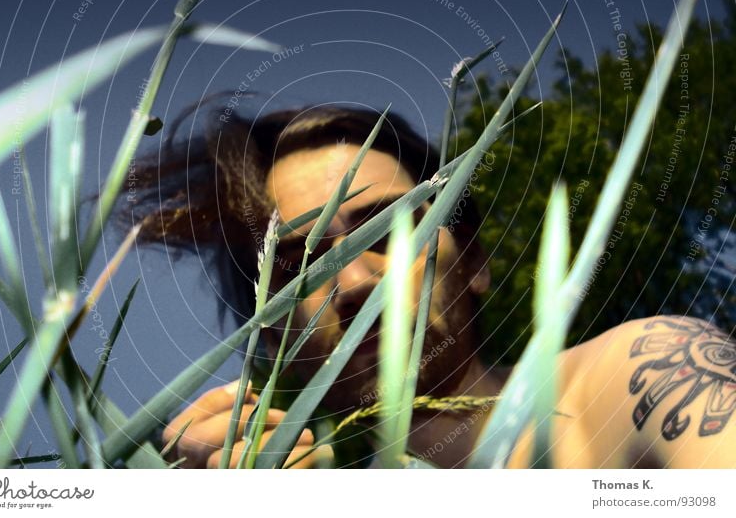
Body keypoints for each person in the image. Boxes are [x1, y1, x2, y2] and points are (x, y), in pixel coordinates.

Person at [122, 96, 736, 468]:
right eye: (297, 266)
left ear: (472, 261)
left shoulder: (637, 377)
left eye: (388, 231)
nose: (357, 281)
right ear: (274, 328)